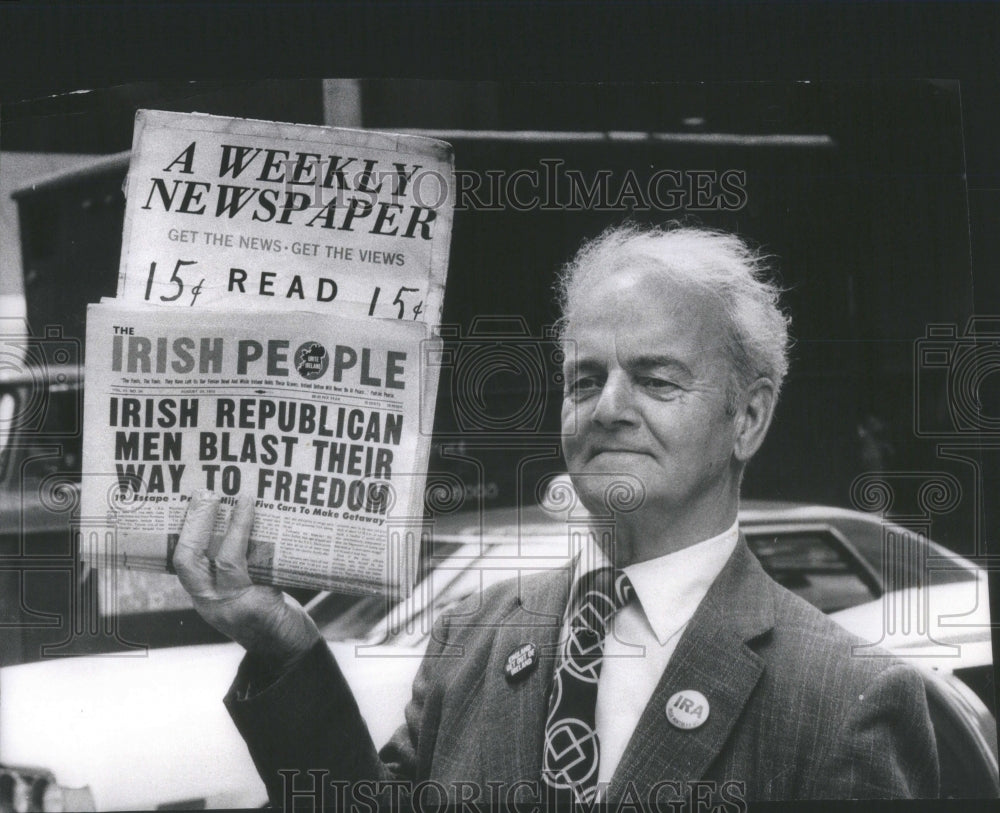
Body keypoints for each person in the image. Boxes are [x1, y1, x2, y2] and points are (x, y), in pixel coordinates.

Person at [174, 224, 938, 808]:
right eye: (585, 378)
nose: (608, 408)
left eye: (655, 379)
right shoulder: (470, 636)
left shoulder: (848, 699)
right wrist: (286, 649)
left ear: (748, 418)